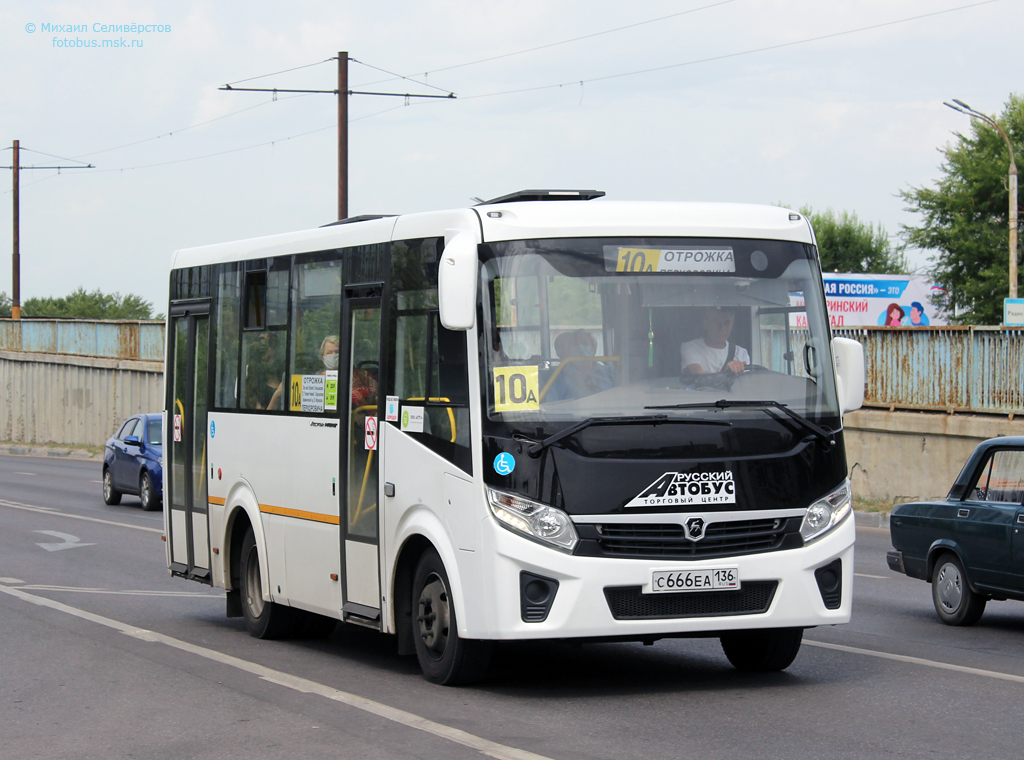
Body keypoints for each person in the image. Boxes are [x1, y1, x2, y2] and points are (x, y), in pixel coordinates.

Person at [545, 329, 613, 401]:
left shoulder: (610, 373)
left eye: (584, 343)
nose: (580, 347)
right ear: (569, 351)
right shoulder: (560, 377)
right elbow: (552, 406)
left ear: (594, 349)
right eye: (575, 345)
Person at [680, 307, 750, 375]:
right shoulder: (690, 348)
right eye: (716, 323)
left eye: (726, 323)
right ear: (706, 324)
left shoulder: (741, 353)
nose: (722, 328)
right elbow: (698, 377)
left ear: (731, 324)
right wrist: (726, 373)